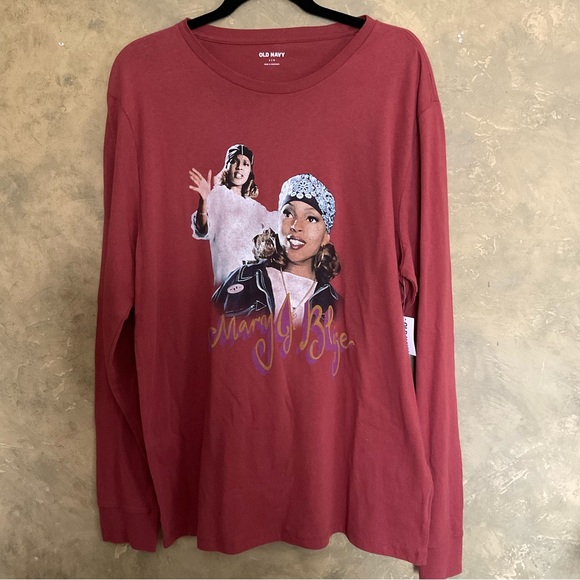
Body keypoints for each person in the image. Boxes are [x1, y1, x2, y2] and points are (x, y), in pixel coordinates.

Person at [212, 173, 341, 326]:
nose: (296, 226)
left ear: (326, 236)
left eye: (311, 218)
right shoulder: (243, 279)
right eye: (288, 213)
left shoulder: (335, 304)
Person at [189, 144, 278, 285]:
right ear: (227, 166)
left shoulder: (255, 207)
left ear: (250, 171)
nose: (239, 167)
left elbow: (278, 225)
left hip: (253, 282)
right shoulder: (218, 196)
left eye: (245, 163)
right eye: (234, 162)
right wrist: (204, 200)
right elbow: (202, 228)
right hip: (227, 282)